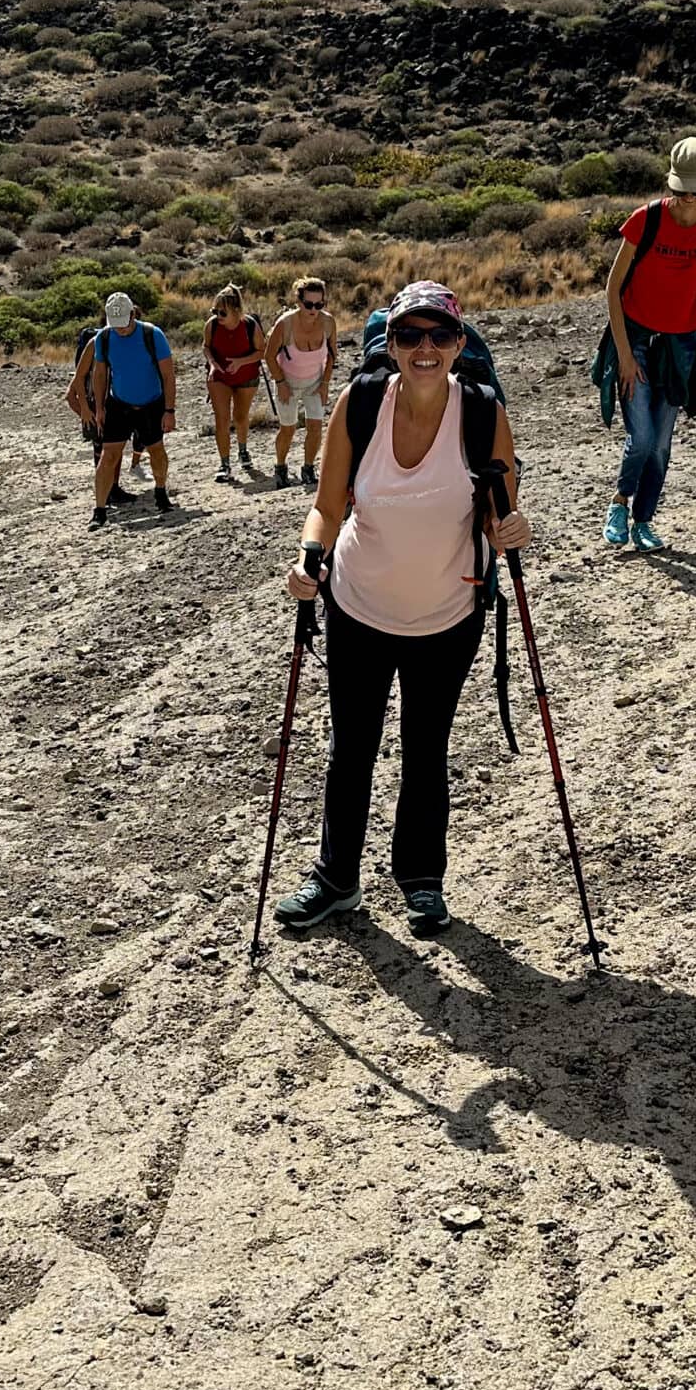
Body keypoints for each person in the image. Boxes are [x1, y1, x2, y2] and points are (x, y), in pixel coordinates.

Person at [273, 282, 528, 937]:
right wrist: (309, 557)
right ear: (390, 344)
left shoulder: (480, 412)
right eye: (410, 335)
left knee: (426, 747)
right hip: (358, 606)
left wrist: (511, 526)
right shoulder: (361, 404)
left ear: (458, 345)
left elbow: (501, 504)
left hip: (447, 617)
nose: (425, 348)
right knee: (351, 746)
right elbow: (328, 506)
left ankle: (421, 880)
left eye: (439, 336)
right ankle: (337, 878)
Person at [598, 136, 696, 553]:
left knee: (660, 443)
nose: (688, 198)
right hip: (636, 340)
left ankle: (643, 521)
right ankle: (620, 501)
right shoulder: (646, 220)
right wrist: (623, 355)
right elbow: (612, 289)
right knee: (641, 437)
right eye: (682, 190)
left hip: (681, 348)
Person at [88, 291, 175, 526]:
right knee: (108, 455)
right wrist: (99, 408)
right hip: (119, 404)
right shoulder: (104, 339)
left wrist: (169, 410)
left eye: (124, 323)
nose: (121, 329)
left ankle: (160, 491)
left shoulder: (152, 335)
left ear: (132, 314)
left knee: (156, 450)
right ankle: (99, 510)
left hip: (151, 403)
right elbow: (100, 373)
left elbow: (168, 375)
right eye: (116, 325)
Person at [265, 277, 336, 491]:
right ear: (299, 302)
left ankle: (308, 468)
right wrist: (280, 382)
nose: (313, 309)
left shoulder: (328, 323)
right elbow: (269, 356)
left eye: (319, 305)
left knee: (315, 427)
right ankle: (280, 467)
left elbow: (332, 354)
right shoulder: (285, 324)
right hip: (288, 382)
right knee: (288, 428)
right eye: (308, 305)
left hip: (314, 382)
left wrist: (325, 383)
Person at [63, 322, 131, 507]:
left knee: (113, 449)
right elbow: (72, 391)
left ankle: (113, 489)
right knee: (103, 452)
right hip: (97, 404)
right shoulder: (95, 350)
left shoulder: (107, 352)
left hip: (109, 403)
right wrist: (86, 413)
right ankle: (107, 493)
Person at [201, 285, 264, 484]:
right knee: (222, 419)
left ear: (236, 311)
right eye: (215, 311)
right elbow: (206, 347)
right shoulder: (212, 325)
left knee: (240, 415)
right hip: (219, 375)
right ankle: (224, 464)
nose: (218, 316)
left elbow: (261, 351)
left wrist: (240, 362)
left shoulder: (249, 325)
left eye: (222, 312)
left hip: (246, 376)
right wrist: (212, 365)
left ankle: (243, 449)